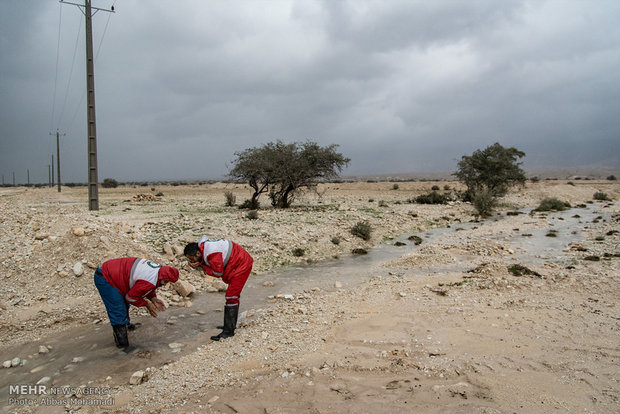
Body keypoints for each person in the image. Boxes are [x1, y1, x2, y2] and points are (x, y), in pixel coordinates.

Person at [93, 257, 179, 349]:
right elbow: (130, 298)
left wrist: (153, 298)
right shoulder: (150, 280)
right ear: (161, 277)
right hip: (106, 278)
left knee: (123, 304)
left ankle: (126, 326)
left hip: (114, 272)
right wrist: (147, 304)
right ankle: (122, 347)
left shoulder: (158, 270)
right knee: (118, 310)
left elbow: (145, 287)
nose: (165, 284)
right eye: (165, 281)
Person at [184, 236, 253, 341]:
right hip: (238, 260)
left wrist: (201, 266)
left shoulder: (211, 253)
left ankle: (228, 331)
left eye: (191, 259)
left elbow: (217, 272)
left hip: (241, 264)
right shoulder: (205, 248)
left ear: (198, 253)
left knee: (232, 296)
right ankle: (229, 326)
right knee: (232, 295)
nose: (191, 261)